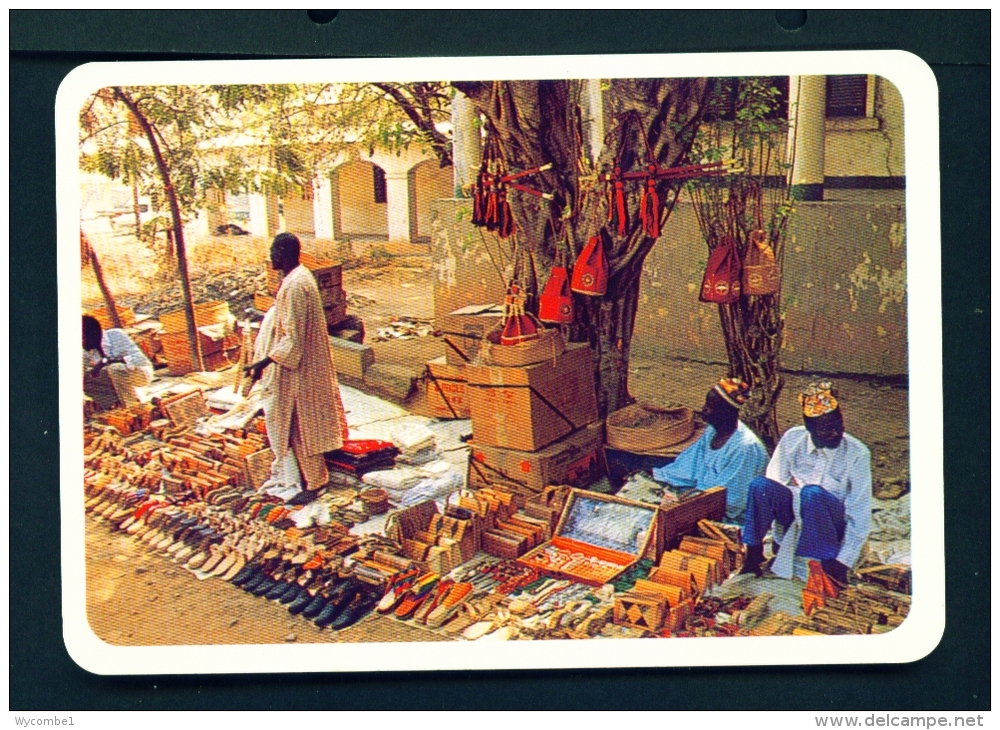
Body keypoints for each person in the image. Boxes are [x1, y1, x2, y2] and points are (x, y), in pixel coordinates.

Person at [740, 381, 872, 586]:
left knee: (811, 494)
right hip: (798, 514)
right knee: (760, 486)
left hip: (832, 524)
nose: (836, 433)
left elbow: (859, 514)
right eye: (826, 430)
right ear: (809, 428)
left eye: (839, 426)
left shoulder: (857, 453)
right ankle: (753, 555)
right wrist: (779, 538)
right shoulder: (793, 439)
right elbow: (774, 485)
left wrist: (842, 563)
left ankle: (821, 567)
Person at [245, 233, 347, 491]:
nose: (270, 257)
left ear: (284, 253)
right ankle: (311, 478)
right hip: (302, 362)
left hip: (301, 366)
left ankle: (316, 482)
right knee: (298, 425)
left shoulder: (294, 286)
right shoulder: (298, 278)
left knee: (301, 425)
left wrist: (264, 362)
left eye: (273, 252)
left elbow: (293, 339)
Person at [650, 377, 769, 522]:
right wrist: (658, 476)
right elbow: (689, 467)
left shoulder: (746, 448)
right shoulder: (712, 432)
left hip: (732, 514)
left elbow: (731, 501)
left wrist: (687, 503)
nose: (704, 409)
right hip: (699, 497)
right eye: (706, 403)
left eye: (711, 406)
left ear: (728, 412)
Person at [82, 314, 153, 409]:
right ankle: (114, 403)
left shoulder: (116, 334)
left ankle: (132, 408)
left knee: (115, 368)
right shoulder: (87, 350)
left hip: (140, 374)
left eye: (83, 338)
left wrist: (105, 363)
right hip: (117, 380)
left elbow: (136, 362)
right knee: (86, 378)